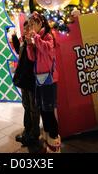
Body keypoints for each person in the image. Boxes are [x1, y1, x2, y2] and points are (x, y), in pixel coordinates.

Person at [26, 12, 61, 153]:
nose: (31, 27)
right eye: (30, 24)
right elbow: (32, 58)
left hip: (49, 80)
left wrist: (35, 37)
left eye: (33, 23)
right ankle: (48, 142)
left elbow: (47, 49)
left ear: (40, 22)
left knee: (49, 111)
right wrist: (29, 46)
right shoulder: (38, 37)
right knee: (42, 109)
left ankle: (55, 145)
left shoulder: (48, 35)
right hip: (39, 79)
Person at [12, 21, 40, 149]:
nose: (26, 30)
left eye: (28, 28)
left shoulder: (35, 41)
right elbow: (20, 52)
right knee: (26, 105)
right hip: (24, 79)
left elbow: (35, 58)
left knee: (34, 108)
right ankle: (27, 130)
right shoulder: (24, 41)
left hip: (32, 80)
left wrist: (31, 43)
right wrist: (14, 38)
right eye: (25, 28)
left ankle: (34, 135)